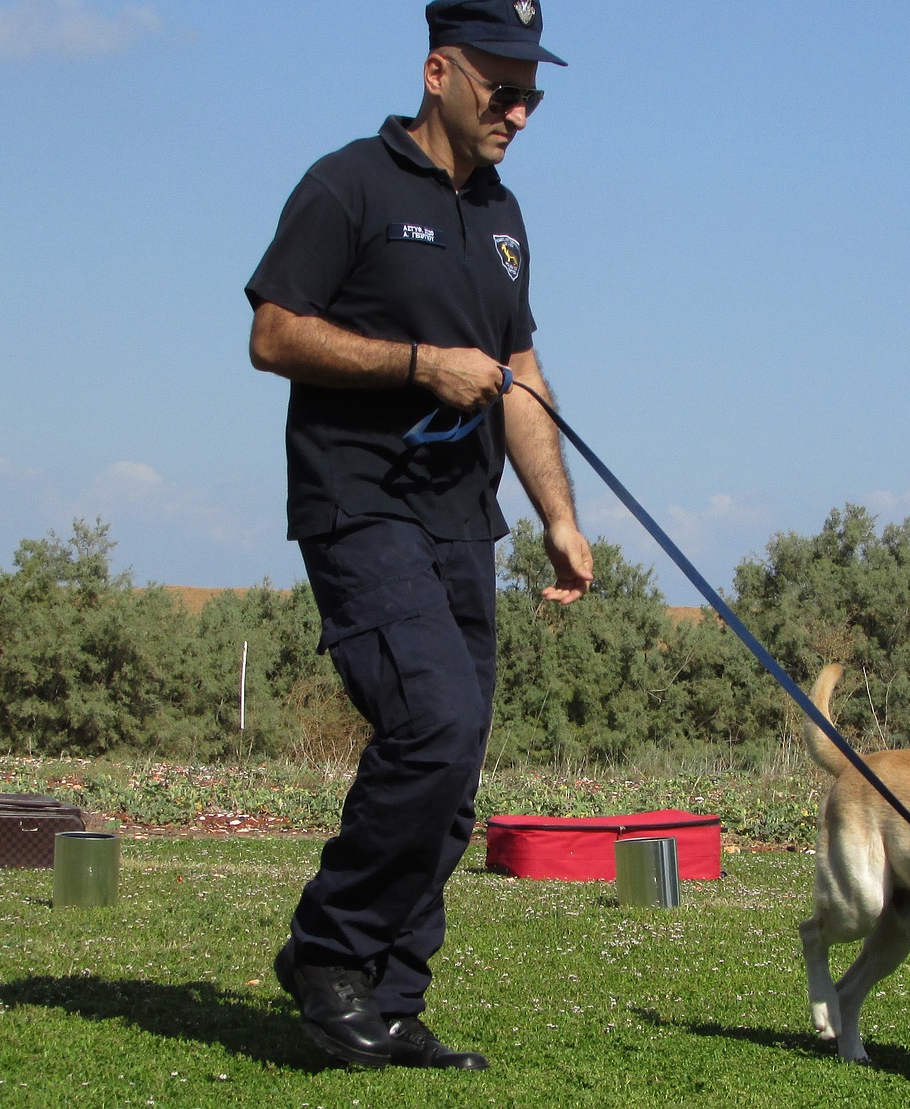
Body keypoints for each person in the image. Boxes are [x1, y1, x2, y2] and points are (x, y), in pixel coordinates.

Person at [242, 0, 591, 1072]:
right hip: (359, 504)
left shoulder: (504, 214)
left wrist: (560, 517)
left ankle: (391, 998)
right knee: (431, 723)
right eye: (503, 86)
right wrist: (414, 364)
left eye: (533, 92)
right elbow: (272, 333)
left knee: (455, 765)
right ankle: (329, 954)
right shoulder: (346, 182)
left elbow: (522, 376)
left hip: (461, 522)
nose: (520, 111)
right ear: (440, 70)